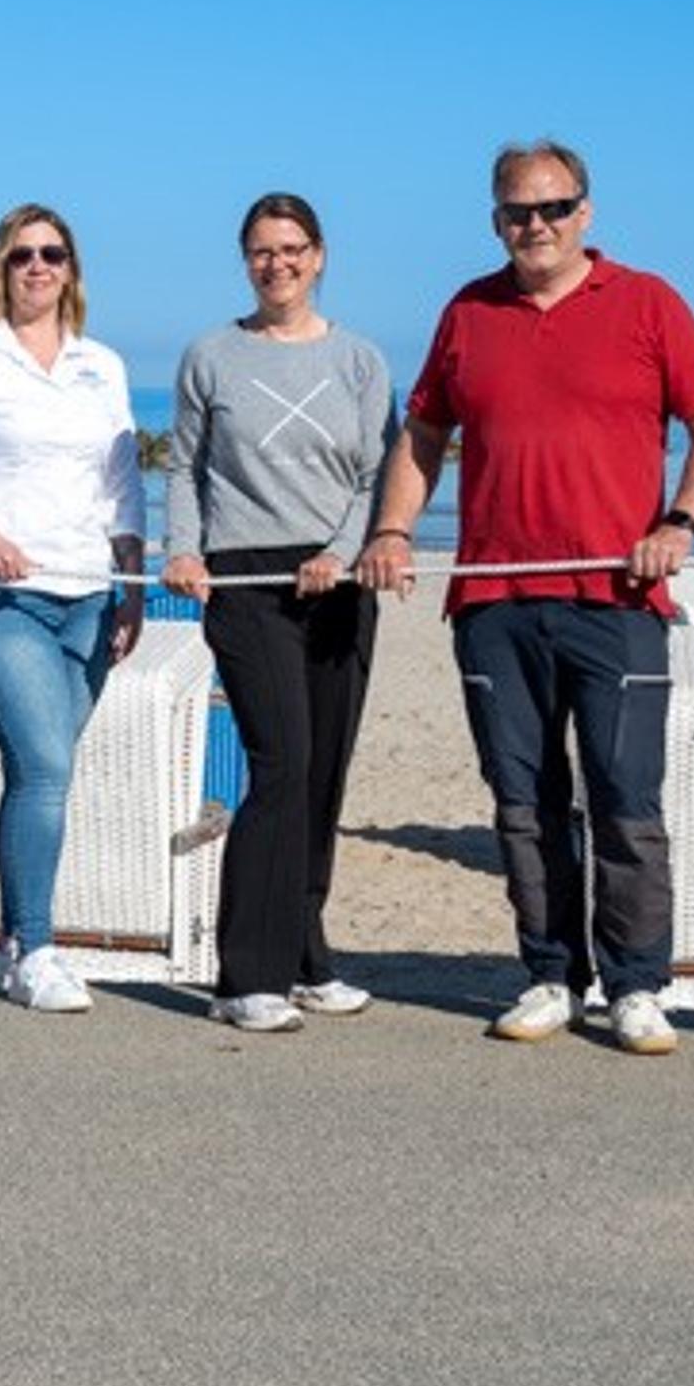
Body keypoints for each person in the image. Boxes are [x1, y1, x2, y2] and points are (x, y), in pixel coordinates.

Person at [358, 141, 694, 1056]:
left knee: (626, 800)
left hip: (617, 597)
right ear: (497, 219)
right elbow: (424, 434)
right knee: (523, 804)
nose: (537, 226)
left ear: (587, 212)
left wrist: (681, 519)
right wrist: (392, 531)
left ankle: (638, 983)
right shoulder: (469, 309)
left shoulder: (649, 302)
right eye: (518, 212)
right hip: (494, 600)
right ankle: (549, 974)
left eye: (554, 208)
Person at [159, 194, 395, 1034]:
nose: (278, 264)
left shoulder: (362, 360)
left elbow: (376, 476)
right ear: (245, 260)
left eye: (292, 249)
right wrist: (182, 550)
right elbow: (183, 466)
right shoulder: (211, 355)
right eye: (261, 251)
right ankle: (245, 975)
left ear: (320, 255)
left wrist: (342, 549)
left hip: (336, 581)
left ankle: (304, 959)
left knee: (322, 776)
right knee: (282, 764)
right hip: (243, 582)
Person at [0, 205, 146, 1015]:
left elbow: (123, 484)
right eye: (22, 256)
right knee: (47, 766)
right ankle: (41, 948)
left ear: (72, 269)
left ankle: (9, 942)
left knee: (37, 772)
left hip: (89, 596)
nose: (38, 267)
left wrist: (134, 579)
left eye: (53, 254)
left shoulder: (103, 366)